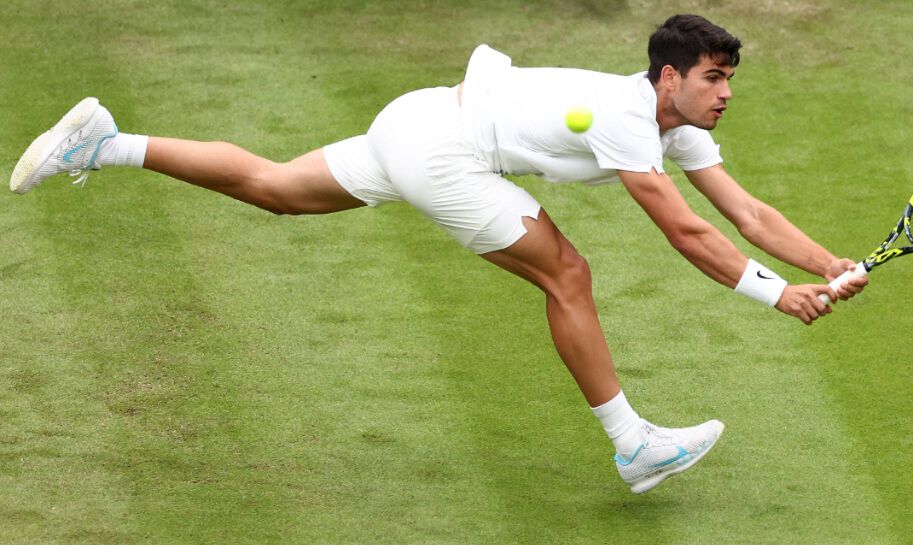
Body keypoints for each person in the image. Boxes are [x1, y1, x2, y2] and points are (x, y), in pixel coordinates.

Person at [10, 14, 866, 494]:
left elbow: (746, 211)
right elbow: (686, 233)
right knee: (567, 272)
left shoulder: (670, 131)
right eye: (713, 79)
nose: (724, 95)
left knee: (274, 188)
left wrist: (826, 266)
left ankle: (106, 142)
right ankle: (632, 441)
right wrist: (772, 295)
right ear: (668, 77)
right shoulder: (626, 118)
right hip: (442, 151)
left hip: (417, 118)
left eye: (729, 82)